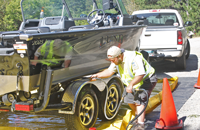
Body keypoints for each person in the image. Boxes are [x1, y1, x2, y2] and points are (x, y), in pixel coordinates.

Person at [91, 46, 157, 130]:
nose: (112, 62)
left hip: (147, 79)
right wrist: (97, 75)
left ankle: (140, 124)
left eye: (113, 60)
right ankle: (139, 115)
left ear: (119, 56)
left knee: (139, 100)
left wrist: (131, 84)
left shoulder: (134, 58)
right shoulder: (116, 60)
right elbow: (110, 71)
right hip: (133, 82)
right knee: (128, 100)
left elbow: (140, 74)